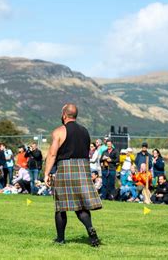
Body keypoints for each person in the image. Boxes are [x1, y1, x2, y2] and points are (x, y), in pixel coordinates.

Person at [43, 103, 101, 247]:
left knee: (61, 206)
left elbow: (52, 154)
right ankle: (90, 230)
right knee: (81, 206)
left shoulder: (59, 131)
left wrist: (46, 173)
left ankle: (60, 239)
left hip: (65, 168)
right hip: (83, 168)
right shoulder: (85, 131)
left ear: (64, 115)